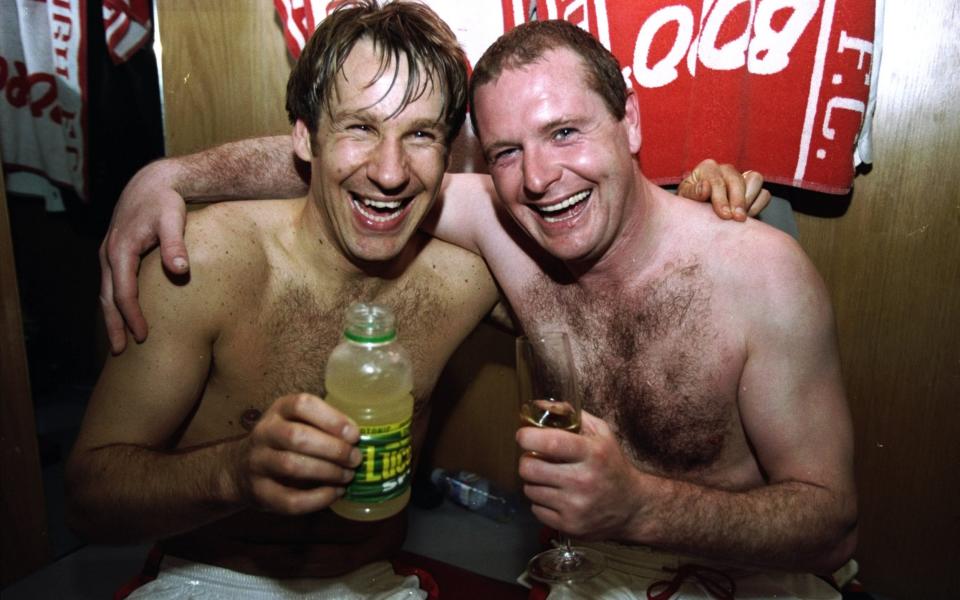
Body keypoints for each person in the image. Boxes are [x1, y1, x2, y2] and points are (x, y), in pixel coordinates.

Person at [69, 2, 762, 598]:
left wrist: (689, 216)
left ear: (452, 151)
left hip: (378, 582)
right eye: (361, 127)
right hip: (210, 576)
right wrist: (233, 472)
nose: (393, 171)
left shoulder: (469, 275)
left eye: (422, 134)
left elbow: (613, 286)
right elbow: (90, 498)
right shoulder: (203, 262)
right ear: (306, 137)